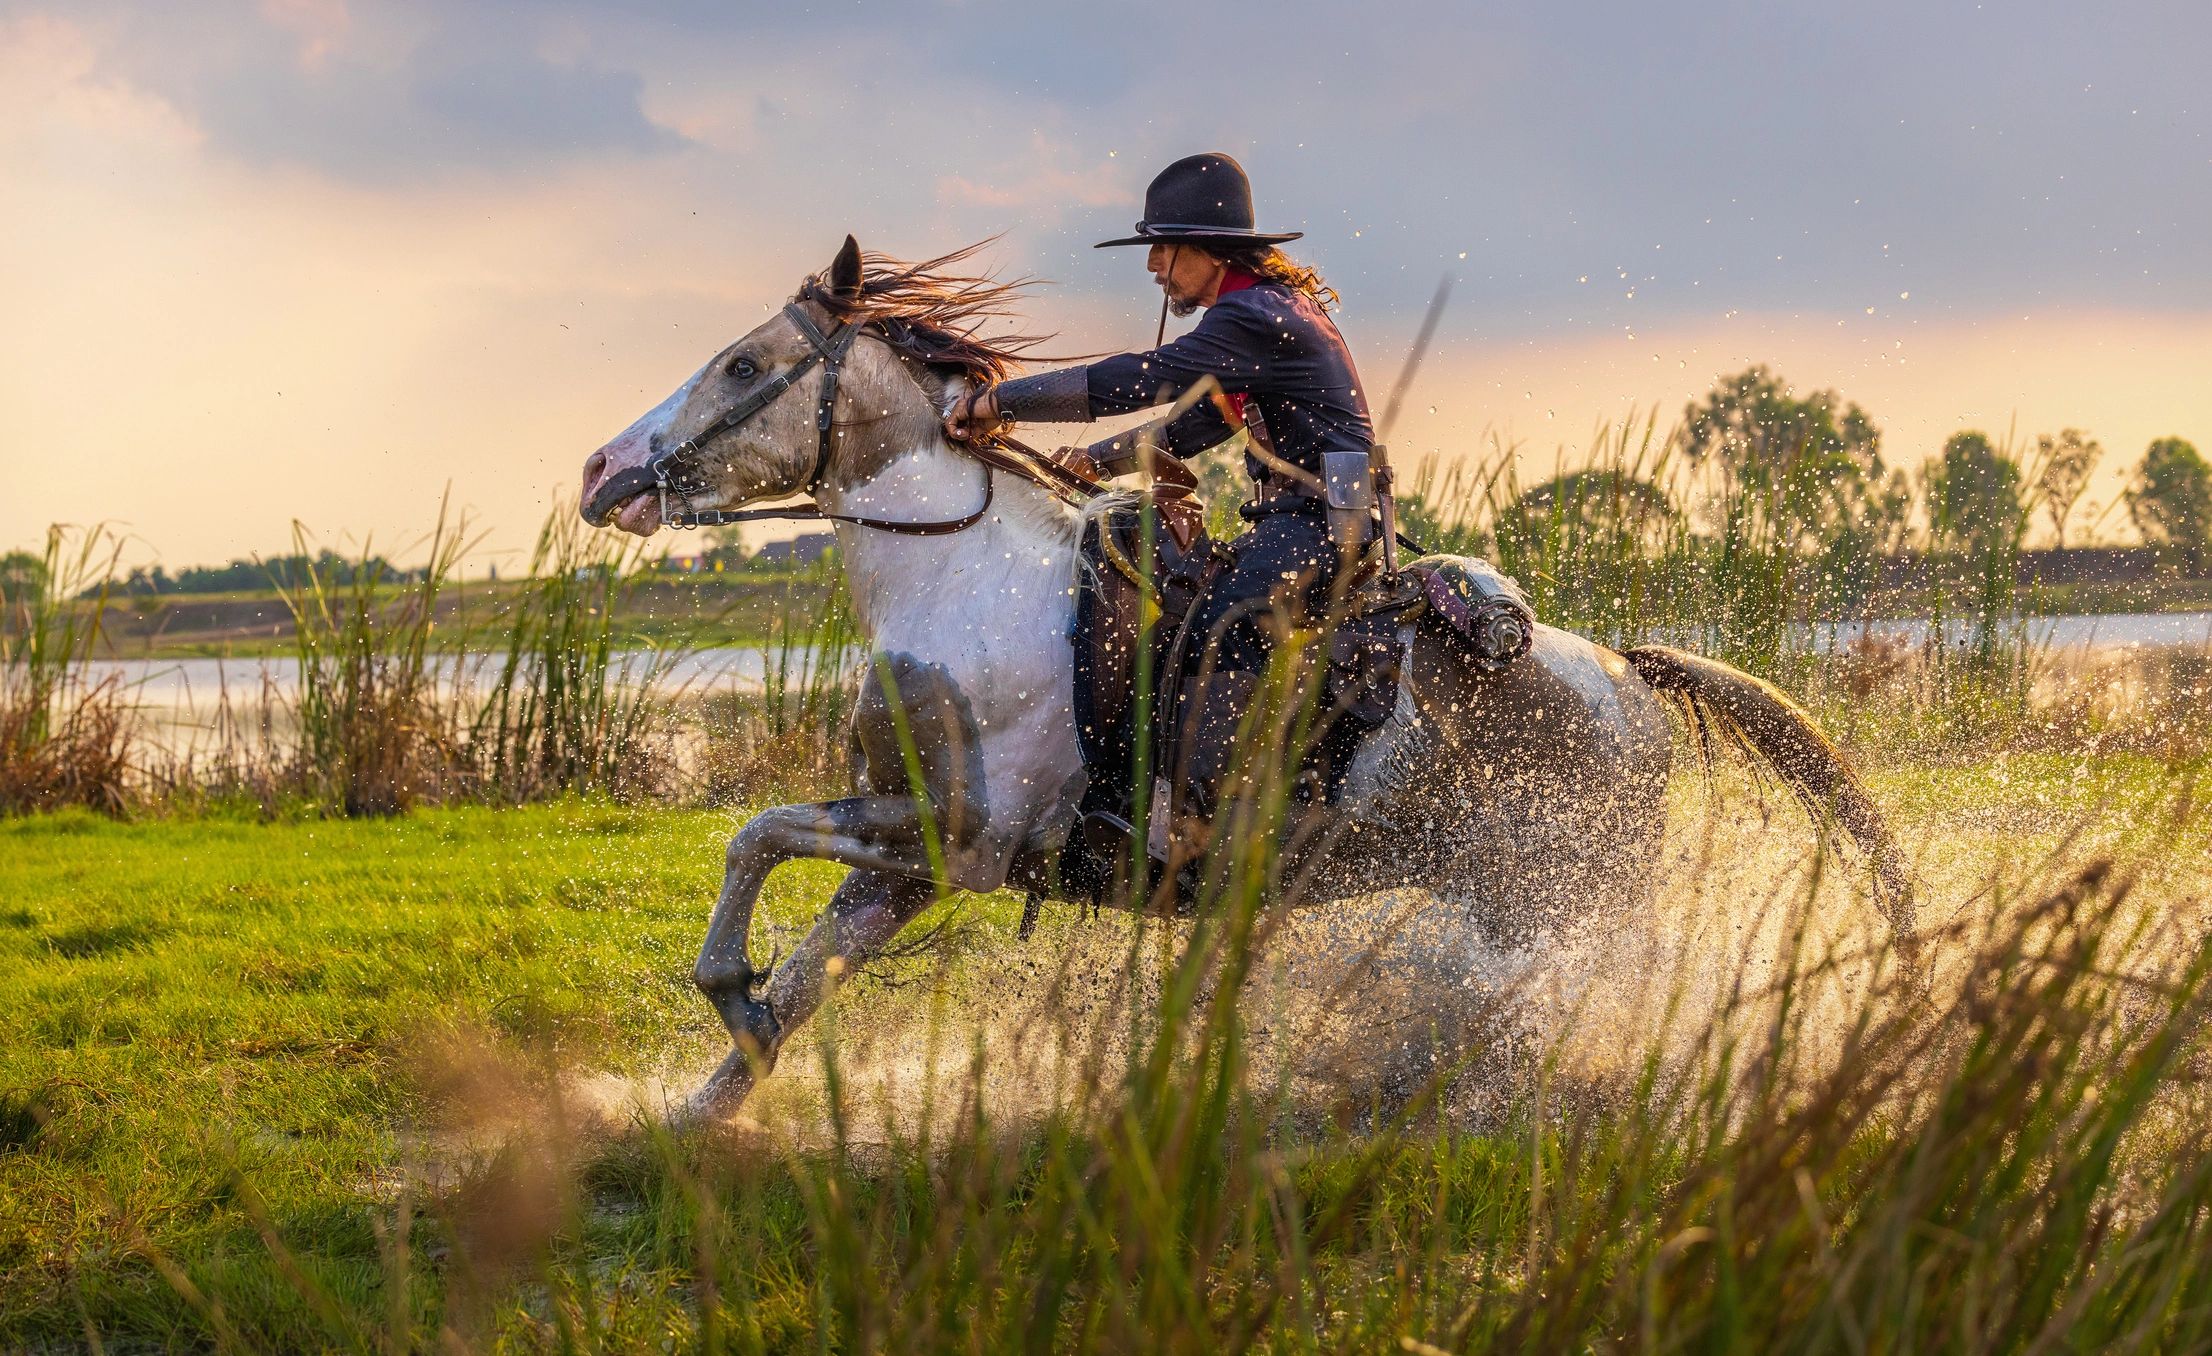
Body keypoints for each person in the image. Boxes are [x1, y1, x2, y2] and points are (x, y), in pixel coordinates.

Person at [943, 151, 1375, 821]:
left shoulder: (1253, 317)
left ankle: (1202, 824)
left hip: (1319, 524)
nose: (1153, 267)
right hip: (1304, 520)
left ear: (1207, 249)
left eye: (1163, 249)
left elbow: (1145, 377)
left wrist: (1003, 402)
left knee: (1216, 629)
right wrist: (1099, 460)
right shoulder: (1258, 311)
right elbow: (1201, 419)